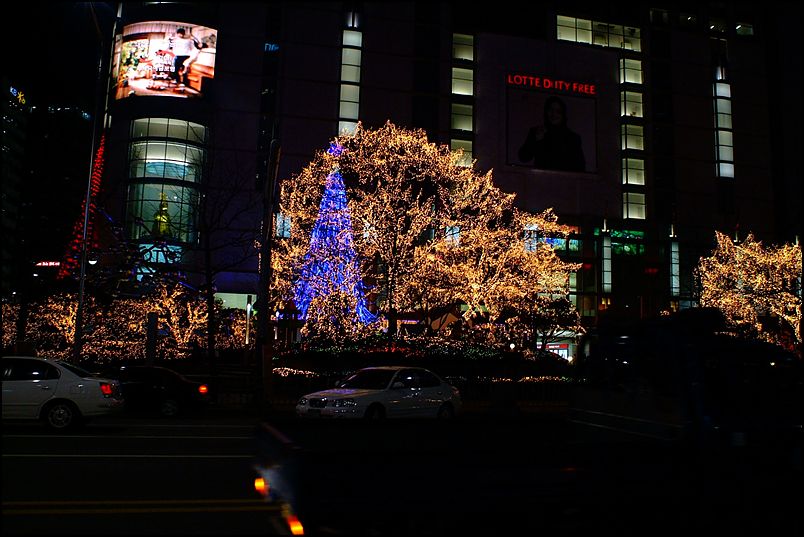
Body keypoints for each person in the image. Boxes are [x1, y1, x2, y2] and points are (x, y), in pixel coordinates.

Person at [518, 95, 586, 172]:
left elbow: (580, 167)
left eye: (558, 111)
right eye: (551, 110)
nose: (554, 114)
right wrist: (535, 141)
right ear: (546, 112)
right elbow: (523, 158)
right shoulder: (537, 131)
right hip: (540, 178)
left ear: (563, 115)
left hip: (564, 179)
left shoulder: (573, 138)